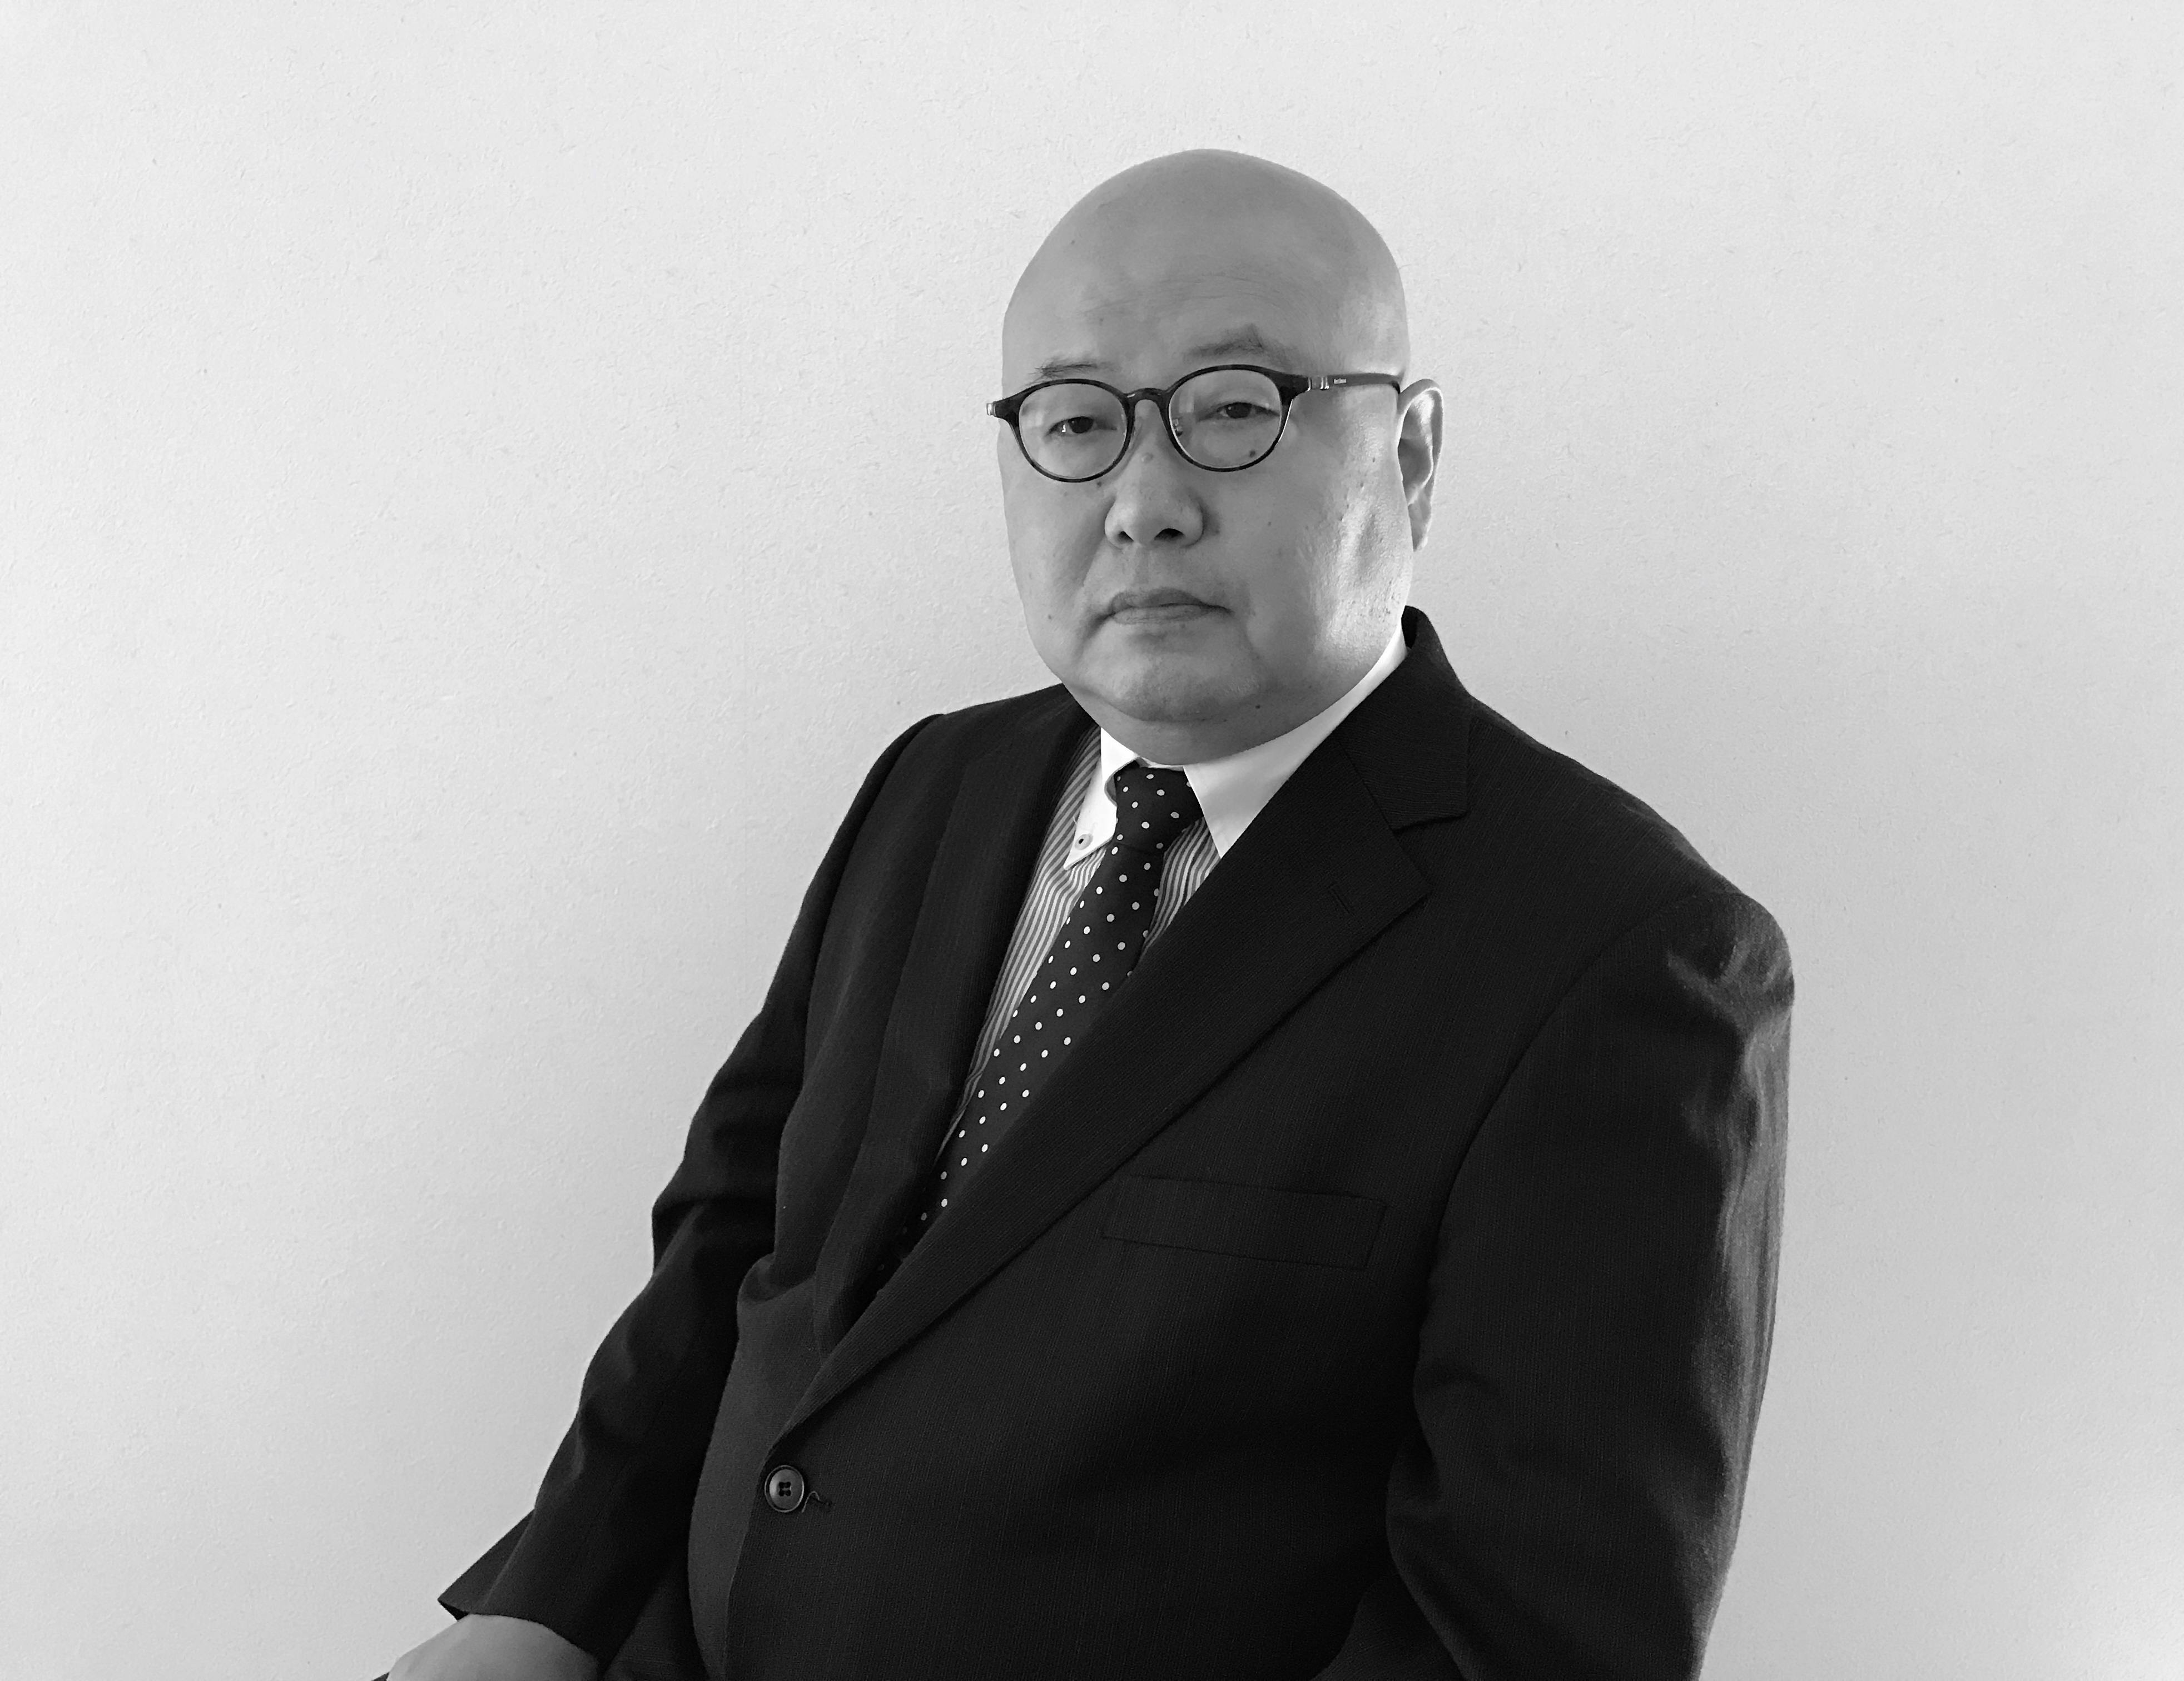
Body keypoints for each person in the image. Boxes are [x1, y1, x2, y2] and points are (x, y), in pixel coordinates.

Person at [385, 148, 1792, 1681]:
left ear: (1413, 454)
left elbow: (1523, 1636)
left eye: (1235, 410)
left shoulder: (1620, 957)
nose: (1144, 506)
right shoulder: (940, 787)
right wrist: (544, 1610)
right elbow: (738, 1240)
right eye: (1075, 421)